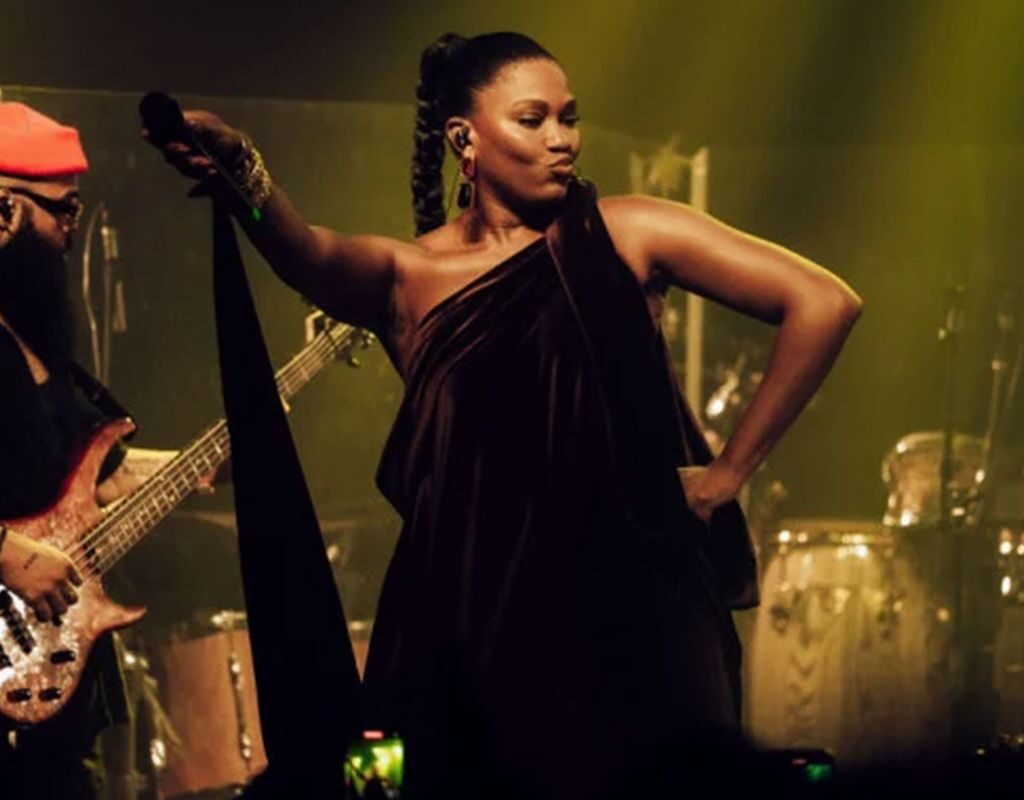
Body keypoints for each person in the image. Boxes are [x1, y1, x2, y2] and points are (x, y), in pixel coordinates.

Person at [149, 31, 861, 798]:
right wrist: (244, 170)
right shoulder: (410, 275)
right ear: (466, 140)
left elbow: (824, 302)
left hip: (630, 620)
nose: (563, 139)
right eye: (533, 119)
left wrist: (727, 474)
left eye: (569, 117)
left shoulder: (628, 231)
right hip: (467, 628)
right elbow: (308, 255)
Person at [0, 101, 174, 799]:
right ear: (4, 211)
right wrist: (8, 555)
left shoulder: (35, 343)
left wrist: (243, 449)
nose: (73, 229)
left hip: (51, 694)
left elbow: (104, 478)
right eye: (63, 210)